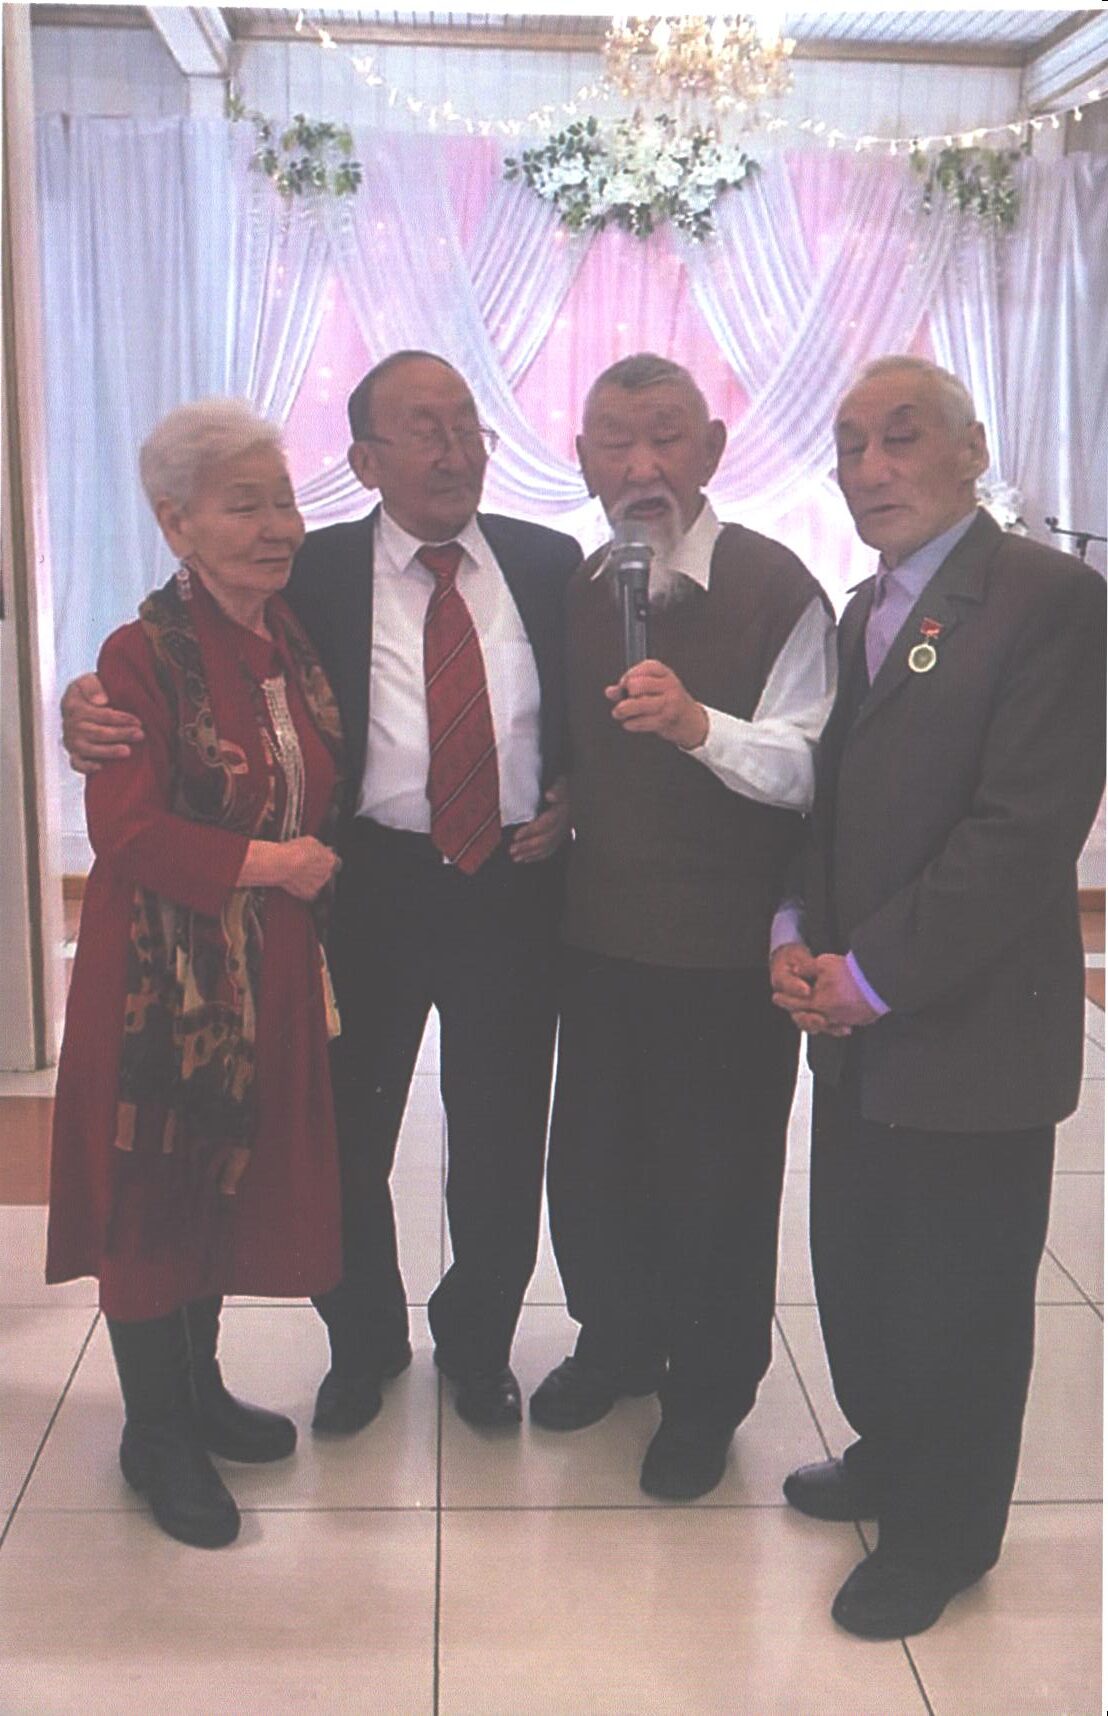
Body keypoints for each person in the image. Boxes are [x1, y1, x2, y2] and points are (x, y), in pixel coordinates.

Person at [62, 351, 580, 1434]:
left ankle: (478, 1345)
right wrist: (86, 706)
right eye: (424, 430)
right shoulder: (311, 571)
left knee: (499, 1139)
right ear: (366, 460)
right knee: (346, 1136)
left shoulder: (548, 560)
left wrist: (572, 793)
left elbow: (579, 712)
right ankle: (365, 1343)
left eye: (468, 426)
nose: (453, 451)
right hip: (359, 890)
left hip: (510, 890)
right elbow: (186, 649)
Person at [771, 356, 1106, 1639]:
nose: (869, 469)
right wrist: (794, 930)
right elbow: (828, 800)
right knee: (864, 1269)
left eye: (900, 439)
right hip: (855, 1027)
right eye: (849, 445)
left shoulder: (1049, 600)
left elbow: (1020, 832)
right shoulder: (864, 607)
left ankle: (944, 1535)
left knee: (959, 1297)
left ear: (972, 451)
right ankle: (890, 1454)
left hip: (970, 1033)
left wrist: (873, 974)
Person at [529, 354, 837, 1502]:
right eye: (615, 442)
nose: (642, 465)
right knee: (595, 1168)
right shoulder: (580, 586)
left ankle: (706, 1398)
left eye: (666, 437)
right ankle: (614, 1344)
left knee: (717, 1184)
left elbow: (808, 765)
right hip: (598, 935)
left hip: (726, 950)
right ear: (582, 461)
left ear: (711, 449)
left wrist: (700, 724)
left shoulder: (774, 585)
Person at [47, 399, 346, 1548]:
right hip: (158, 984)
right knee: (152, 1192)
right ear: (176, 524)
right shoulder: (138, 656)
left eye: (284, 500)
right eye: (243, 506)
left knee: (218, 1176)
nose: (277, 527)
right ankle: (155, 1434)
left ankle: (200, 1389)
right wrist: (277, 863)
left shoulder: (286, 634)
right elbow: (125, 832)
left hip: (259, 964)